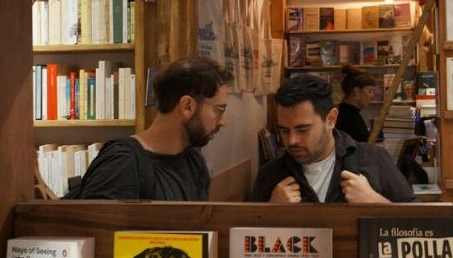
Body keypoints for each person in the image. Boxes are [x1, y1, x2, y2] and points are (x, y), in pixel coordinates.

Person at [73, 56, 232, 200]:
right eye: (219, 110)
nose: (223, 121)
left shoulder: (194, 161)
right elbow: (97, 223)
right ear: (187, 106)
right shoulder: (122, 163)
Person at [249, 74, 415, 203]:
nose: (292, 140)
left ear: (331, 119)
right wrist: (271, 211)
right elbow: (249, 232)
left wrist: (376, 202)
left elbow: (418, 227)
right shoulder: (270, 174)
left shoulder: (373, 158)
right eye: (284, 131)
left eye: (302, 129)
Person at [335, 65, 376, 142]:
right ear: (357, 91)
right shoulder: (347, 119)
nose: (372, 96)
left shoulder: (348, 114)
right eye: (370, 91)